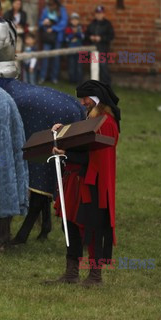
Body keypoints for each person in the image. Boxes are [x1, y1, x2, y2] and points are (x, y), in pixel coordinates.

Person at [45, 80, 120, 286]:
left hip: (92, 184)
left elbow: (94, 159)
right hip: (76, 182)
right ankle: (71, 274)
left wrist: (66, 152)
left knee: (92, 228)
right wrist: (62, 132)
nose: (82, 102)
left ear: (97, 99)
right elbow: (81, 140)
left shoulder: (106, 123)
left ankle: (95, 277)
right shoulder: (92, 118)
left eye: (85, 98)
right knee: (69, 226)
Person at [37, 0, 67, 84]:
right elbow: (40, 23)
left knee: (56, 58)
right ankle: (43, 77)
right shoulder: (46, 9)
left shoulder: (62, 10)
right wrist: (43, 23)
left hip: (57, 37)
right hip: (48, 37)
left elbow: (64, 23)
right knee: (45, 56)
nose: (52, 6)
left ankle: (54, 77)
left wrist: (53, 28)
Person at [85, 5, 114, 85]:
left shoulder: (107, 24)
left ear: (103, 14)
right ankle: (96, 84)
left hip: (103, 48)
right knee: (94, 68)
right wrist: (90, 37)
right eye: (97, 13)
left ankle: (107, 84)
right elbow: (86, 35)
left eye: (100, 13)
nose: (98, 15)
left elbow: (111, 36)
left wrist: (101, 38)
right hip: (93, 48)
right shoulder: (92, 23)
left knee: (103, 66)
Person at [65, 12, 84, 85]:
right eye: (73, 20)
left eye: (76, 20)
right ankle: (72, 80)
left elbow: (82, 37)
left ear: (78, 21)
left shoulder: (81, 28)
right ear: (70, 21)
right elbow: (67, 38)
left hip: (80, 50)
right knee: (71, 65)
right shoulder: (68, 28)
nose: (74, 21)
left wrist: (75, 34)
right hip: (71, 49)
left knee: (79, 66)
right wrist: (74, 35)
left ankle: (79, 80)